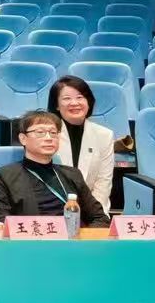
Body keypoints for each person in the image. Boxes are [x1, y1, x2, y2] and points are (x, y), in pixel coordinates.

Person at [0, 110, 109, 225]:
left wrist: (84, 237)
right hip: (30, 237)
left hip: (71, 238)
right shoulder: (4, 176)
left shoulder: (72, 174)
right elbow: (1, 222)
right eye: (40, 132)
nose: (49, 138)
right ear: (23, 139)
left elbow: (99, 218)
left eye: (53, 133)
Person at [49, 76, 115, 213]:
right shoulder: (47, 133)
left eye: (80, 97)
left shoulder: (104, 135)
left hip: (91, 210)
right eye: (67, 98)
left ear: (89, 102)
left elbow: (103, 182)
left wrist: (95, 215)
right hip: (52, 210)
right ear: (56, 105)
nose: (74, 103)